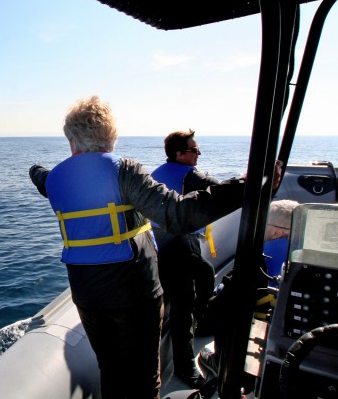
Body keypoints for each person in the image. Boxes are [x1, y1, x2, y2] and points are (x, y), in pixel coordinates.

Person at [28, 95, 280, 399]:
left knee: (111, 370)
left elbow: (39, 177)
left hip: (87, 296)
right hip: (135, 295)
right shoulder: (125, 171)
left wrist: (34, 169)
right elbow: (179, 215)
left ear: (71, 141)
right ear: (111, 137)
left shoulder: (54, 179)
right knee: (145, 379)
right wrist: (248, 185)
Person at [197, 199, 300, 380]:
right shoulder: (308, 258)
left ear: (276, 232)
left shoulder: (255, 259)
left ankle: (220, 362)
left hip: (261, 336)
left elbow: (215, 312)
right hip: (293, 341)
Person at [150, 129, 219, 388]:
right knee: (185, 304)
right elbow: (220, 189)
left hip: (157, 245)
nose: (198, 154)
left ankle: (201, 321)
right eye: (194, 150)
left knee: (203, 276)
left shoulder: (155, 173)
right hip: (179, 244)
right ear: (180, 154)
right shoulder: (190, 175)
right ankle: (186, 366)